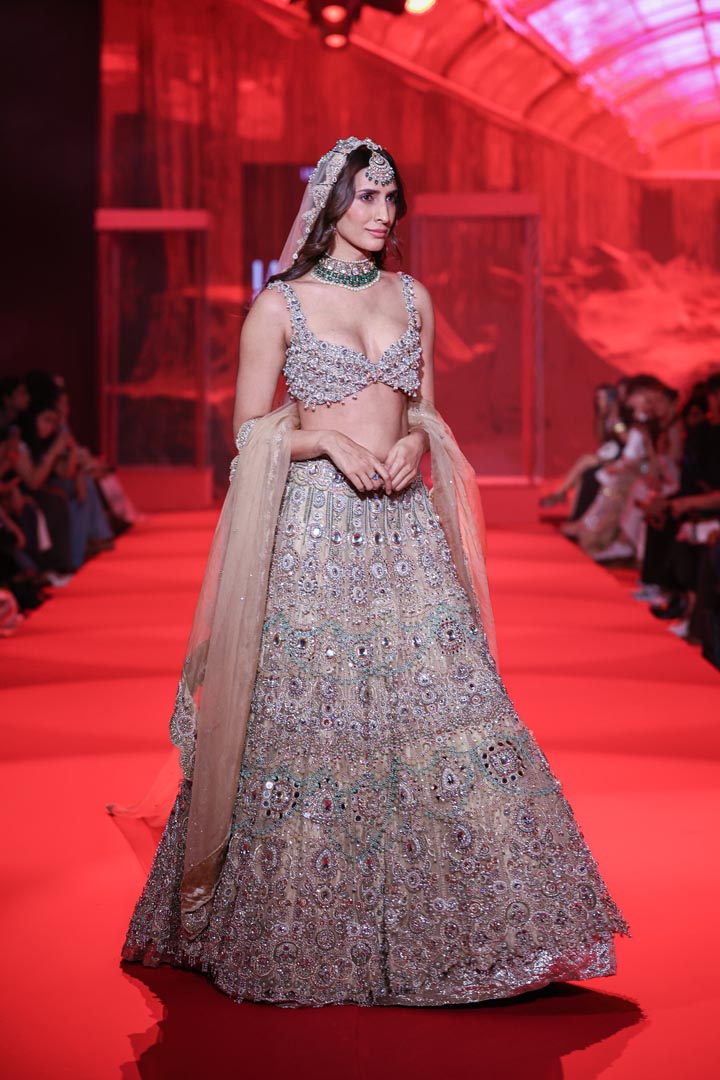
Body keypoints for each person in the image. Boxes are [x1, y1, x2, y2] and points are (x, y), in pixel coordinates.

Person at [120, 137, 627, 1006]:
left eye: (392, 197)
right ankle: (294, 927)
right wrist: (322, 441)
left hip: (402, 528)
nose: (383, 213)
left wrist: (412, 443)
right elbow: (247, 434)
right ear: (330, 203)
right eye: (367, 197)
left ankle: (474, 927)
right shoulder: (280, 305)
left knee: (447, 709)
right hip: (315, 533)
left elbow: (425, 411)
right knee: (310, 726)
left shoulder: (413, 296)